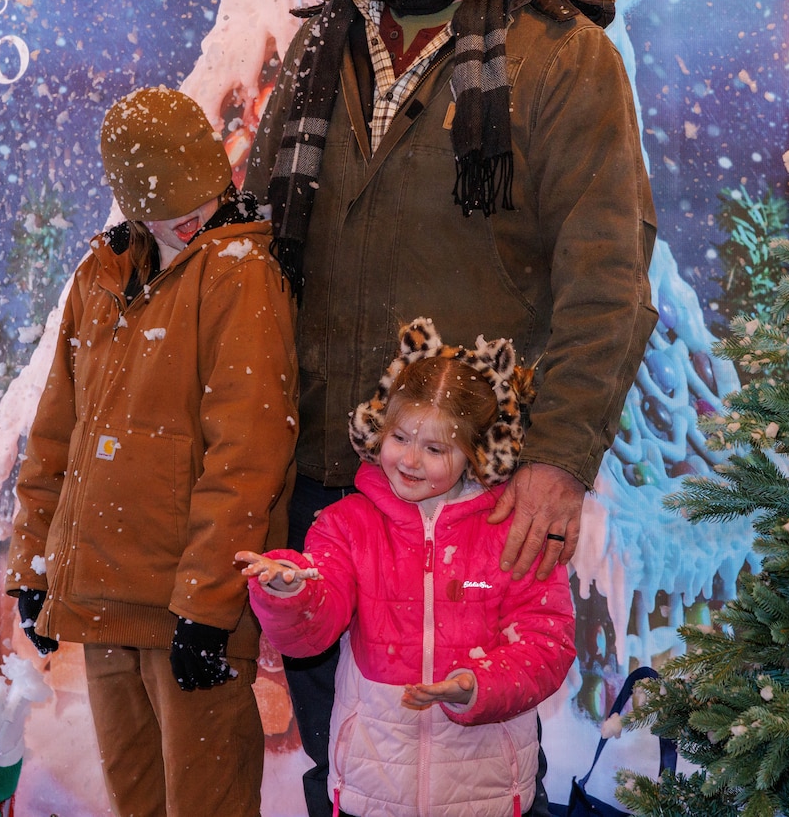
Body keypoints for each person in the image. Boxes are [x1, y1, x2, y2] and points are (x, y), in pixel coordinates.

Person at [244, 0, 657, 816]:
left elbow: (606, 272)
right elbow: (254, 251)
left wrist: (559, 460)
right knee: (343, 765)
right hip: (326, 492)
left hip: (470, 500)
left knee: (464, 773)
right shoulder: (318, 47)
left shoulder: (560, 55)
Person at [5, 86, 298, 817]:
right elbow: (55, 434)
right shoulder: (101, 276)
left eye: (193, 199)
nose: (184, 218)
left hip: (187, 609)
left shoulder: (239, 273)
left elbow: (248, 453)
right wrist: (36, 559)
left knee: (207, 805)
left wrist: (208, 605)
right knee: (138, 803)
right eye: (163, 203)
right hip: (103, 600)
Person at [237, 319, 576, 817]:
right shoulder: (348, 523)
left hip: (486, 789)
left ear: (476, 453)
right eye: (400, 437)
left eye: (435, 448)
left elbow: (548, 642)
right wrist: (290, 591)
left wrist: (480, 685)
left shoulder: (512, 531)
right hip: (373, 786)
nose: (410, 460)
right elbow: (312, 629)